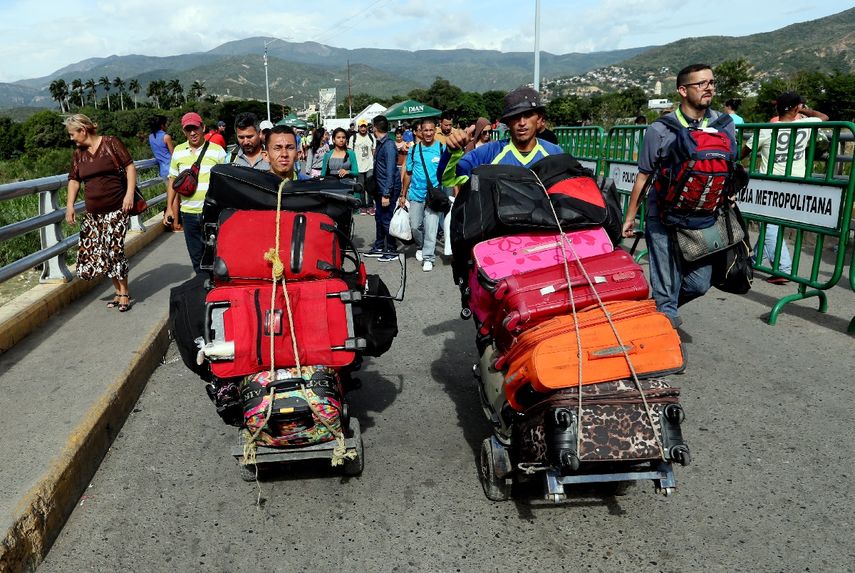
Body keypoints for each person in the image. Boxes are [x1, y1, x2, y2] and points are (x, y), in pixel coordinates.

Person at [621, 63, 736, 328]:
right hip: (662, 215)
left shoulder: (725, 125)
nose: (708, 88)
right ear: (682, 90)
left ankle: (657, 315)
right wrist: (631, 217)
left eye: (711, 82)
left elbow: (730, 168)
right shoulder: (660, 130)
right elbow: (644, 175)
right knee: (666, 289)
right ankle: (665, 325)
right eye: (701, 84)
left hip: (703, 217)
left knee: (699, 283)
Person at [741, 91, 829, 284]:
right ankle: (752, 261)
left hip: (770, 185)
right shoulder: (806, 124)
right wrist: (804, 109)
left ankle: (782, 268)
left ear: (776, 108)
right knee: (771, 225)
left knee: (770, 224)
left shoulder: (766, 129)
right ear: (797, 108)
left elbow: (744, 152)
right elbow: (823, 117)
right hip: (796, 184)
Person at [64, 114, 137, 312]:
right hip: (93, 214)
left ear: (83, 130)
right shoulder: (79, 154)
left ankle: (124, 292)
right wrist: (70, 205)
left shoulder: (111, 143)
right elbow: (74, 179)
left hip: (117, 208)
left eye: (72, 134)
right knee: (103, 254)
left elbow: (130, 167)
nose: (71, 139)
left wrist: (129, 194)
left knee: (115, 251)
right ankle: (117, 290)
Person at [440, 86, 563, 187]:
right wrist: (452, 152)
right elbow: (447, 180)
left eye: (528, 114)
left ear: (539, 118)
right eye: (515, 116)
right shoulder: (488, 153)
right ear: (507, 122)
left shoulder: (555, 154)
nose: (522, 122)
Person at [166, 112, 227, 274]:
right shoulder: (178, 152)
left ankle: (216, 291)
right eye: (188, 129)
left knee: (216, 255)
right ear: (184, 132)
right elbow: (172, 180)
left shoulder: (218, 151)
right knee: (196, 257)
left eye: (196, 128)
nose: (193, 133)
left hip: (212, 214)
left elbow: (227, 180)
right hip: (188, 214)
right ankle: (202, 290)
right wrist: (169, 208)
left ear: (203, 128)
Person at [399, 117, 446, 272]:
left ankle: (428, 257)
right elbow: (408, 173)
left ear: (435, 130)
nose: (428, 133)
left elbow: (449, 172)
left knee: (431, 227)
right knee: (415, 226)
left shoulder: (441, 148)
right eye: (425, 130)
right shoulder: (414, 150)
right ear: (420, 131)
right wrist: (403, 194)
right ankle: (420, 245)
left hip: (434, 196)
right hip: (416, 194)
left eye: (431, 130)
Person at [364, 115, 401, 261]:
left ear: (376, 128)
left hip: (388, 188)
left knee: (387, 219)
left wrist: (386, 194)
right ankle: (379, 246)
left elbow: (391, 171)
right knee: (379, 218)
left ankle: (391, 250)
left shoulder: (389, 145)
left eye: (372, 126)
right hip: (380, 187)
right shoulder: (380, 143)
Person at [348, 119, 376, 200]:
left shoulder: (371, 137)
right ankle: (362, 204)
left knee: (370, 186)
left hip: (369, 166)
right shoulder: (353, 138)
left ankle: (370, 204)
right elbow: (350, 152)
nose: (363, 129)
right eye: (361, 127)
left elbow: (374, 151)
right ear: (358, 127)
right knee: (361, 186)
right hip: (358, 166)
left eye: (364, 126)